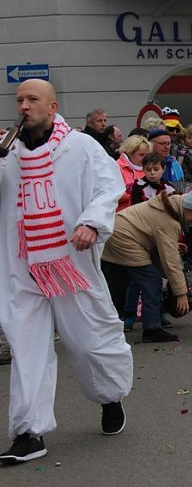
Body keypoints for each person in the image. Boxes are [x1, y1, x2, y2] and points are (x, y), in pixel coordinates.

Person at [0, 80, 132, 464]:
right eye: (19, 100)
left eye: (32, 99)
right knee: (27, 349)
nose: (24, 106)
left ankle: (109, 397)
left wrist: (92, 223)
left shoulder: (81, 147)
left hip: (70, 264)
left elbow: (109, 187)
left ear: (52, 106)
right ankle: (29, 432)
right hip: (22, 268)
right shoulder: (8, 152)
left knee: (89, 342)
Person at [101, 189, 192, 342]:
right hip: (126, 239)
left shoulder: (169, 207)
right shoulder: (169, 220)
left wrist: (173, 245)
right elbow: (170, 261)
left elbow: (155, 238)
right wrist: (181, 294)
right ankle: (152, 329)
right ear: (187, 208)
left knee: (117, 285)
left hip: (113, 235)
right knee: (151, 279)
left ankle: (108, 327)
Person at [116, 135, 151, 212]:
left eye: (147, 155)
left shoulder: (148, 169)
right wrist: (138, 193)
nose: (145, 158)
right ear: (129, 153)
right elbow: (114, 194)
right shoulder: (116, 168)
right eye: (141, 155)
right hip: (122, 216)